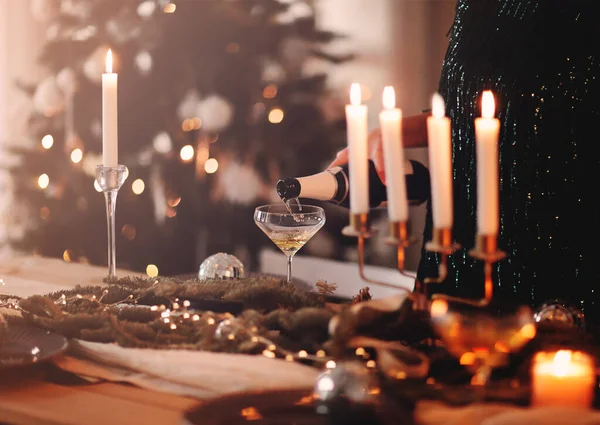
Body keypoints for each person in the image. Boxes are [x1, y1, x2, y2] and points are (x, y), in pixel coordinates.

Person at [329, 0, 600, 329]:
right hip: (460, 242)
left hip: (559, 244)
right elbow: (481, 106)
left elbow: (561, 115)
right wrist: (396, 131)